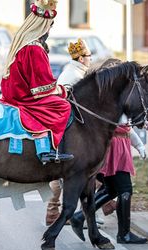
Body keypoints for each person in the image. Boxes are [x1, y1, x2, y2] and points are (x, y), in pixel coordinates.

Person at [0, 0, 73, 163]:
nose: (49, 31)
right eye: (50, 26)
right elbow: (42, 88)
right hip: (24, 98)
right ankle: (49, 148)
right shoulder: (34, 49)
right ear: (43, 25)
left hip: (13, 93)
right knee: (63, 106)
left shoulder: (22, 43)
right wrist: (63, 90)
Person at [70, 123, 148, 244]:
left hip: (112, 147)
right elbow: (121, 124)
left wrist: (139, 145)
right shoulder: (112, 105)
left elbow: (126, 127)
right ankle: (124, 234)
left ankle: (79, 217)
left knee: (112, 189)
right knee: (125, 189)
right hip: (112, 149)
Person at [44, 38, 92, 226]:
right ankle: (54, 213)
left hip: (66, 123)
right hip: (65, 126)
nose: (90, 59)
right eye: (88, 56)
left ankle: (60, 213)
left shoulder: (75, 71)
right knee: (63, 172)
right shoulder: (76, 75)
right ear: (81, 58)